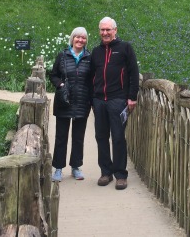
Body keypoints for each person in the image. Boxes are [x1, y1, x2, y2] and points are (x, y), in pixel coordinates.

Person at [90, 17, 139, 190]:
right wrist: (92, 100)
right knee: (101, 137)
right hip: (99, 100)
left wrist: (132, 97)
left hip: (117, 99)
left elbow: (134, 73)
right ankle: (106, 172)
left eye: (108, 30)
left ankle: (120, 174)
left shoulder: (125, 48)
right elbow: (91, 77)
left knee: (118, 137)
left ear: (115, 30)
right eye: (102, 30)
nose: (105, 33)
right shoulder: (96, 52)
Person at [49, 27, 93, 182]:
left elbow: (92, 79)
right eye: (77, 37)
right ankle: (58, 169)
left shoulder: (89, 57)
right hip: (64, 102)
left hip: (82, 101)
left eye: (83, 38)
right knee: (61, 136)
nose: (80, 40)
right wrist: (60, 85)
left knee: (78, 137)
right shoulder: (62, 55)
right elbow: (53, 75)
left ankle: (76, 167)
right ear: (72, 39)